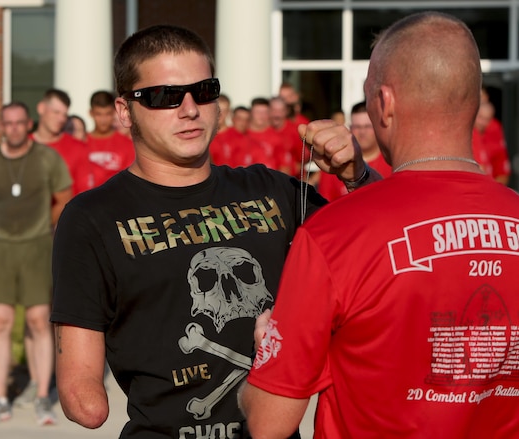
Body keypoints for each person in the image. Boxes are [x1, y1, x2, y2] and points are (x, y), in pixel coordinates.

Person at [51, 24, 374, 439]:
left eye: (203, 91)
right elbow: (85, 403)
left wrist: (357, 177)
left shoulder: (272, 190)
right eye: (164, 96)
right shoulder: (92, 217)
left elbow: (387, 245)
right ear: (124, 111)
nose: (189, 109)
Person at [240, 12, 519, 438]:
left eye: (369, 95)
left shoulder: (331, 234)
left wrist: (266, 349)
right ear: (471, 101)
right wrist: (361, 180)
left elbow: (268, 422)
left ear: (385, 103)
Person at [0, 101, 72, 426]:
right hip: (1, 247)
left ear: (28, 125)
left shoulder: (46, 158)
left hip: (37, 246)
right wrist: (9, 227)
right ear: (1, 126)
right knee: (0, 320)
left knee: (38, 319)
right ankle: (0, 398)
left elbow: (64, 195)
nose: (14, 128)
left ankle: (43, 395)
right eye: (8, 123)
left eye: (19, 122)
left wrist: (44, 224)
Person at [317, 101, 393, 201]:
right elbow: (324, 206)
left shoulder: (392, 162)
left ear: (376, 127)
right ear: (350, 128)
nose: (362, 132)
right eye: (357, 127)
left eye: (367, 126)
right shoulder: (335, 163)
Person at [33, 88, 92, 196]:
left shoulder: (78, 148)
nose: (61, 119)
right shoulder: (24, 145)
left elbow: (85, 194)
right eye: (56, 112)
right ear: (41, 108)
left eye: (64, 114)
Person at [84, 90, 135, 188]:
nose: (103, 120)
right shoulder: (81, 144)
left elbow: (131, 182)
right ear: (91, 113)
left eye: (107, 114)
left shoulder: (127, 145)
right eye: (98, 114)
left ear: (114, 112)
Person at [244, 97, 291, 174]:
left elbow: (284, 167)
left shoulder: (276, 137)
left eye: (264, 112)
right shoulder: (242, 134)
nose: (261, 116)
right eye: (258, 112)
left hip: (269, 182)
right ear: (251, 113)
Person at [472, 101, 511, 184]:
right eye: (480, 117)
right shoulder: (470, 133)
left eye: (486, 119)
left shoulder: (493, 130)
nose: (482, 122)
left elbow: (502, 171)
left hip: (488, 187)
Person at [211, 94, 249, 167]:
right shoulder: (205, 136)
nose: (220, 114)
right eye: (218, 110)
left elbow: (242, 168)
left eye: (224, 111)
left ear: (229, 112)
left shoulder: (238, 137)